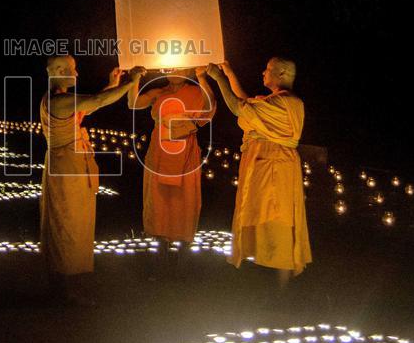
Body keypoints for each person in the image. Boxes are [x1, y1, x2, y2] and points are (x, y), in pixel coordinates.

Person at [204, 58, 311, 287]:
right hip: (267, 164)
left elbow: (237, 107)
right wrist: (229, 72)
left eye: (268, 69)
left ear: (281, 73)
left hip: (275, 167)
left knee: (277, 219)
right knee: (262, 216)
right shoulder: (273, 102)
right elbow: (244, 102)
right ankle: (268, 281)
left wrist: (218, 77)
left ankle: (281, 283)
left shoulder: (286, 103)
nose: (263, 72)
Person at [40, 56, 135, 305]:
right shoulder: (57, 101)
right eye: (73, 69)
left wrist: (112, 83)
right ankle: (64, 290)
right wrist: (130, 83)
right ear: (59, 71)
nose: (77, 74)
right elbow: (95, 101)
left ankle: (63, 288)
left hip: (70, 166)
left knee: (72, 224)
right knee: (66, 226)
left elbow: (90, 105)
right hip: (66, 169)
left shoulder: (61, 100)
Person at [128, 67, 216, 267]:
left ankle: (183, 255)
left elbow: (210, 107)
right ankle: (160, 252)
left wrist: (202, 77)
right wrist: (134, 80)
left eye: (180, 70)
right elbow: (134, 103)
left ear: (188, 73)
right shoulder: (160, 92)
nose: (173, 72)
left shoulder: (195, 91)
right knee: (159, 200)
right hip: (159, 150)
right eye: (170, 69)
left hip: (185, 151)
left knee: (185, 200)